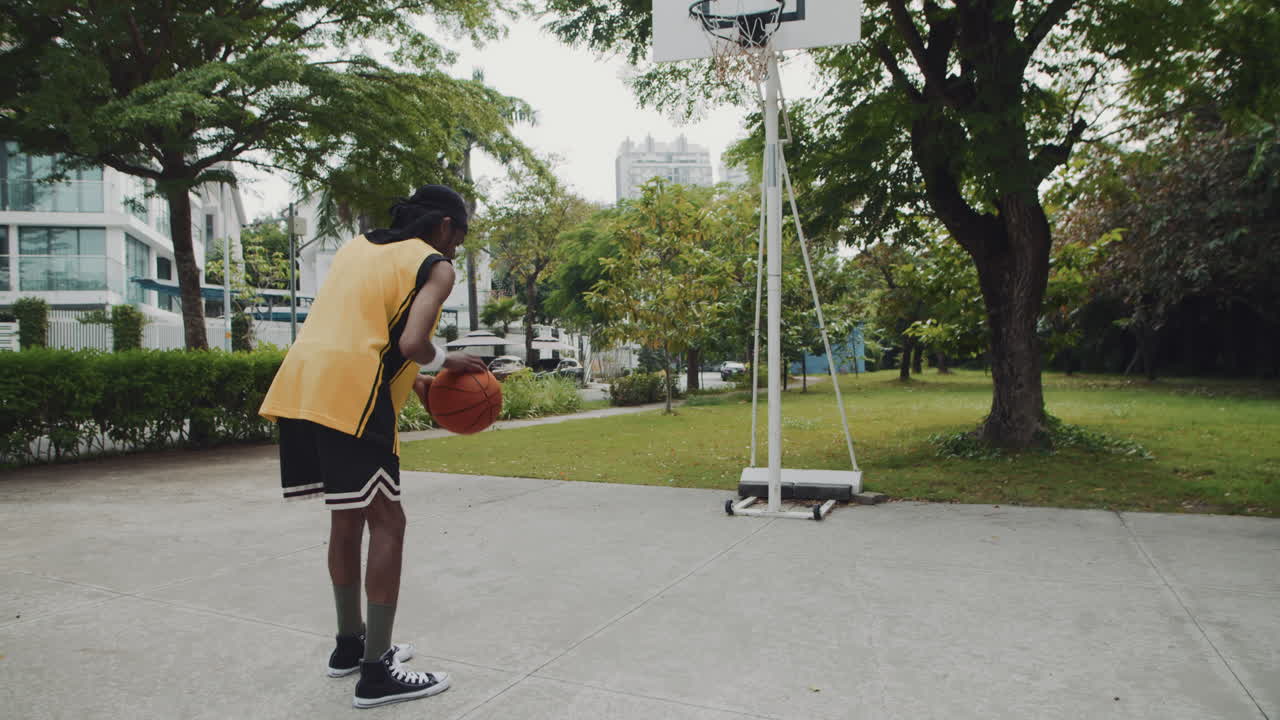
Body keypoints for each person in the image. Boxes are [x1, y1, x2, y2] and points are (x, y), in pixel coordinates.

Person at [259, 184, 487, 709]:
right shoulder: (435, 265)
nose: (456, 250)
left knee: (348, 518)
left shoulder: (357, 248)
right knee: (389, 522)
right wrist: (444, 360)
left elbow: (360, 329)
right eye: (460, 237)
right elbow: (411, 343)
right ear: (445, 227)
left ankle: (351, 647)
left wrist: (422, 384)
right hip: (352, 396)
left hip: (300, 384)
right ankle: (377, 673)